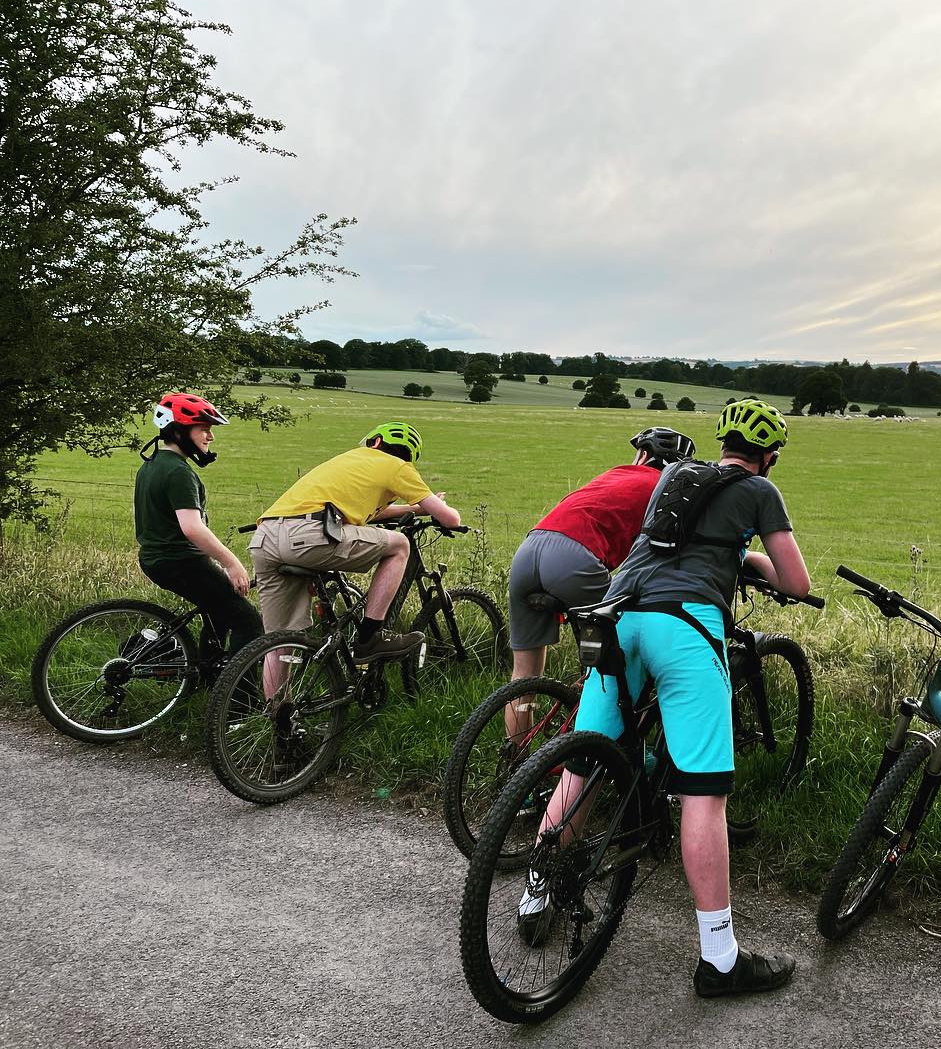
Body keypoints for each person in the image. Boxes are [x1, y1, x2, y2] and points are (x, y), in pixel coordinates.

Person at [522, 397, 812, 998]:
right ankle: (720, 958)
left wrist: (734, 555)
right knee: (703, 795)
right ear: (771, 456)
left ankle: (536, 891)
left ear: (720, 441)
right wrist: (752, 560)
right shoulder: (760, 491)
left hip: (618, 615)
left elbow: (670, 544)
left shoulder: (676, 476)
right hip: (683, 626)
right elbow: (796, 582)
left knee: (583, 764)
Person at [247, 421, 461, 664]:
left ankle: (276, 703)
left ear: (376, 441)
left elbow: (364, 512)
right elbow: (451, 519)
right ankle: (370, 638)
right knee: (400, 545)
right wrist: (439, 507)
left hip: (265, 537)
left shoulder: (346, 459)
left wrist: (415, 509)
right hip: (308, 536)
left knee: (280, 643)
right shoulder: (398, 466)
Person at [506, 427, 696, 684]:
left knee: (523, 675)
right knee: (621, 650)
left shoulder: (613, 475)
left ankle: (528, 718)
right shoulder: (663, 491)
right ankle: (595, 711)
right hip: (572, 559)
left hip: (529, 549)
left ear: (643, 455)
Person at [134, 393, 261, 670]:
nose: (210, 436)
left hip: (157, 558)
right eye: (204, 429)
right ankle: (239, 703)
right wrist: (232, 563)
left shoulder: (152, 464)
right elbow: (192, 528)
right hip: (180, 561)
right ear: (179, 431)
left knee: (217, 614)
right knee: (247, 621)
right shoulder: (179, 472)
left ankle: (208, 678)